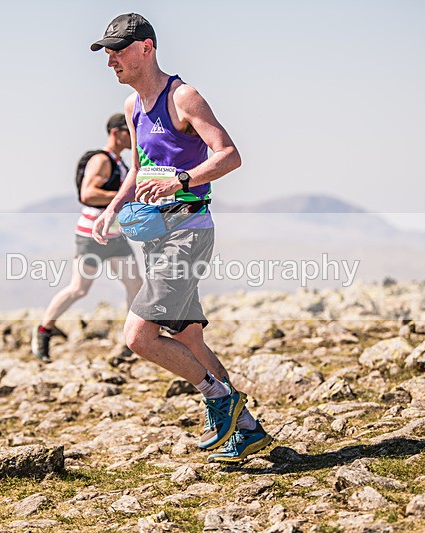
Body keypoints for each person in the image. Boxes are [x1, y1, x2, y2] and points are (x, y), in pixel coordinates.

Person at [90, 14, 273, 463]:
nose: (111, 59)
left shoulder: (182, 96)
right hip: (154, 235)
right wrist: (112, 208)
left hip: (188, 231)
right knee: (190, 340)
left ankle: (219, 400)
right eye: (107, 52)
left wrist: (182, 180)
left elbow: (230, 155)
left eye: (118, 50)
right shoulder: (133, 106)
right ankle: (246, 430)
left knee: (139, 337)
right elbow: (137, 168)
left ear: (146, 48)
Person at [31, 114, 142, 363]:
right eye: (128, 130)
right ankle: (43, 330)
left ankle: (132, 340)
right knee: (79, 289)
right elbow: (88, 193)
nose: (133, 135)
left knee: (135, 284)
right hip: (92, 235)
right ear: (116, 132)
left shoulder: (118, 162)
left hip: (114, 235)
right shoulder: (101, 160)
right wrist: (123, 197)